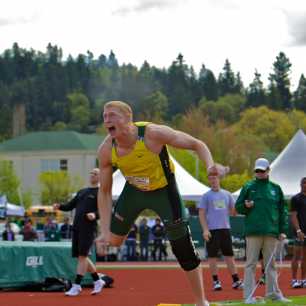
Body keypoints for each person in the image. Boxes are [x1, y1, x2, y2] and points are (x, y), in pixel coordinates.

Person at [96, 100, 229, 306]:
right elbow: (104, 192)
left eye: (112, 115)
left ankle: (201, 301)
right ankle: (98, 269)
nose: (106, 120)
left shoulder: (152, 134)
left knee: (182, 247)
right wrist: (104, 229)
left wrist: (210, 165)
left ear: (128, 119)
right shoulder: (106, 150)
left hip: (164, 191)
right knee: (112, 242)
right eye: (104, 116)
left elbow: (197, 144)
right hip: (135, 191)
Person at [235, 158, 289, 304]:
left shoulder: (276, 188)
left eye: (262, 170)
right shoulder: (248, 186)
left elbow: (283, 210)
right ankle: (248, 296)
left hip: (272, 232)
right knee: (251, 263)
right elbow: (238, 206)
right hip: (253, 231)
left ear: (268, 170)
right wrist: (245, 206)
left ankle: (273, 293)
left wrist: (283, 230)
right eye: (257, 170)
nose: (259, 173)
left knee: (271, 265)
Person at [53, 168, 105, 296]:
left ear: (100, 177)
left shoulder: (101, 192)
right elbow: (70, 206)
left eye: (95, 173)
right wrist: (59, 206)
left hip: (89, 228)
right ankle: (98, 281)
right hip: (76, 227)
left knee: (82, 256)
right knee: (81, 256)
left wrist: (95, 215)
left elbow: (104, 210)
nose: (92, 175)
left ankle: (76, 286)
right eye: (91, 173)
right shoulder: (82, 191)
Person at [198, 174, 243, 291]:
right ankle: (216, 282)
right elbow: (201, 214)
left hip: (225, 229)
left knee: (229, 255)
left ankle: (236, 281)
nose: (213, 180)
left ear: (219, 179)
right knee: (212, 257)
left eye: (215, 178)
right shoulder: (206, 196)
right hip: (212, 230)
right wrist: (205, 230)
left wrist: (242, 204)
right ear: (209, 181)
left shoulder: (227, 194)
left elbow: (234, 212)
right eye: (211, 179)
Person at [290, 177, 306, 289]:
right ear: (300, 184)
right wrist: (298, 230)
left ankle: (304, 279)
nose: (305, 185)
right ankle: (294, 279)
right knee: (296, 256)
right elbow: (293, 216)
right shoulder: (295, 198)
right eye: (304, 183)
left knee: (305, 257)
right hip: (299, 232)